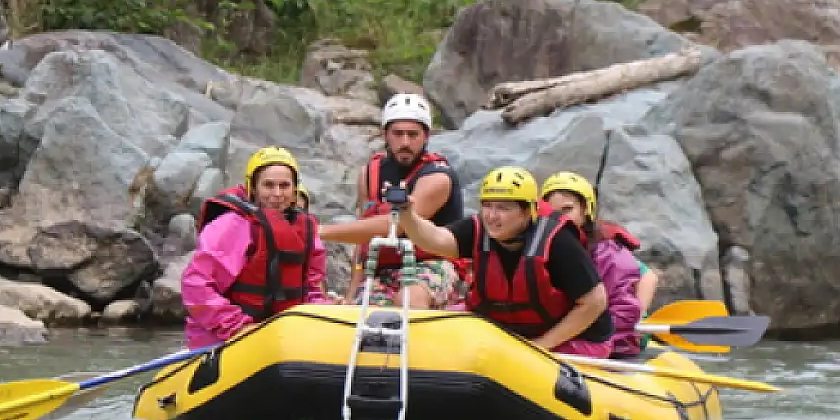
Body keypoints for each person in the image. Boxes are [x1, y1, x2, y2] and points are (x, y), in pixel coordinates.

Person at [393, 166, 613, 356]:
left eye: (503, 208)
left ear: (528, 211)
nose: (492, 216)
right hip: (511, 329)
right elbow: (435, 239)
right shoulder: (479, 228)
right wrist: (407, 215)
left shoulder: (559, 241)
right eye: (487, 205)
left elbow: (594, 302)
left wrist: (540, 346)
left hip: (574, 337)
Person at [319, 92, 464, 309]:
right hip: (383, 269)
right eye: (398, 134)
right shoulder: (369, 174)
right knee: (363, 313)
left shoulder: (438, 177)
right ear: (385, 134)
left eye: (413, 135)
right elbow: (364, 238)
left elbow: (397, 224)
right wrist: (351, 294)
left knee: (408, 300)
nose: (405, 142)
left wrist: (321, 231)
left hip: (432, 264)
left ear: (426, 136)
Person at [182, 146, 330, 347]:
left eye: (284, 186)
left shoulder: (306, 230)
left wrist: (325, 313)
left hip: (280, 338)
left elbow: (311, 290)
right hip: (226, 337)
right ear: (253, 187)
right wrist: (239, 327)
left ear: (295, 190)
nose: (277, 194)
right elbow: (196, 284)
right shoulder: (231, 225)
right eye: (268, 185)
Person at [540, 171, 658, 359]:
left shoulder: (608, 253)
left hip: (610, 338)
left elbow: (645, 278)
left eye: (567, 210)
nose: (560, 218)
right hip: (564, 333)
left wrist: (640, 311)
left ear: (585, 210)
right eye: (553, 212)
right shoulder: (543, 245)